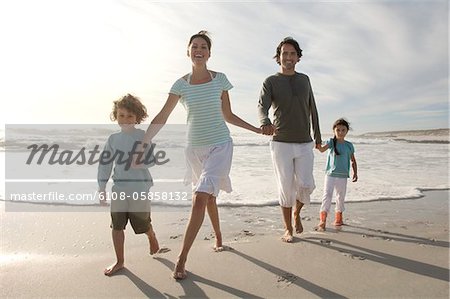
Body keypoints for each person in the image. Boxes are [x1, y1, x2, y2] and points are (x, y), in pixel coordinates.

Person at [138, 31, 261, 280]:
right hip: (193, 149)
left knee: (200, 197)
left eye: (203, 47)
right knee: (209, 199)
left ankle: (182, 258)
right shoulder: (180, 84)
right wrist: (144, 141)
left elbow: (228, 115)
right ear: (188, 52)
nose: (199, 50)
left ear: (209, 53)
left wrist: (256, 129)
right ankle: (218, 235)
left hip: (220, 146)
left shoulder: (220, 80)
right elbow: (163, 115)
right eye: (194, 46)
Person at [258, 37, 322, 243]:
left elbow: (313, 108)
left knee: (306, 185)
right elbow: (262, 106)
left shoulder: (305, 79)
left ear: (298, 57)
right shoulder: (271, 81)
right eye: (284, 53)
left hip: (304, 141)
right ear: (278, 57)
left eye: (292, 53)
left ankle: (297, 213)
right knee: (285, 187)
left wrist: (318, 137)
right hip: (281, 142)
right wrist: (265, 121)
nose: (288, 57)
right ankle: (288, 229)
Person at [98, 94, 160, 276]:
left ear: (137, 118)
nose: (125, 120)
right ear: (116, 116)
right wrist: (102, 187)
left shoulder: (143, 136)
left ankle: (151, 235)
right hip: (119, 188)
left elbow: (152, 159)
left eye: (130, 116)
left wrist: (140, 163)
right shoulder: (113, 139)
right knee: (117, 225)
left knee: (141, 223)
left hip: (140, 187)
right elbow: (105, 164)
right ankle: (120, 261)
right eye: (122, 115)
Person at [315, 118, 358, 231]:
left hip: (343, 176)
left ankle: (339, 219)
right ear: (334, 131)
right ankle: (322, 220)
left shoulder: (349, 145)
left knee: (340, 197)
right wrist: (318, 145)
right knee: (327, 195)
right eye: (338, 130)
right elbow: (321, 150)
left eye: (343, 130)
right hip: (330, 175)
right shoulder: (331, 142)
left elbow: (353, 160)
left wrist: (355, 173)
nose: (340, 132)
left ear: (346, 131)